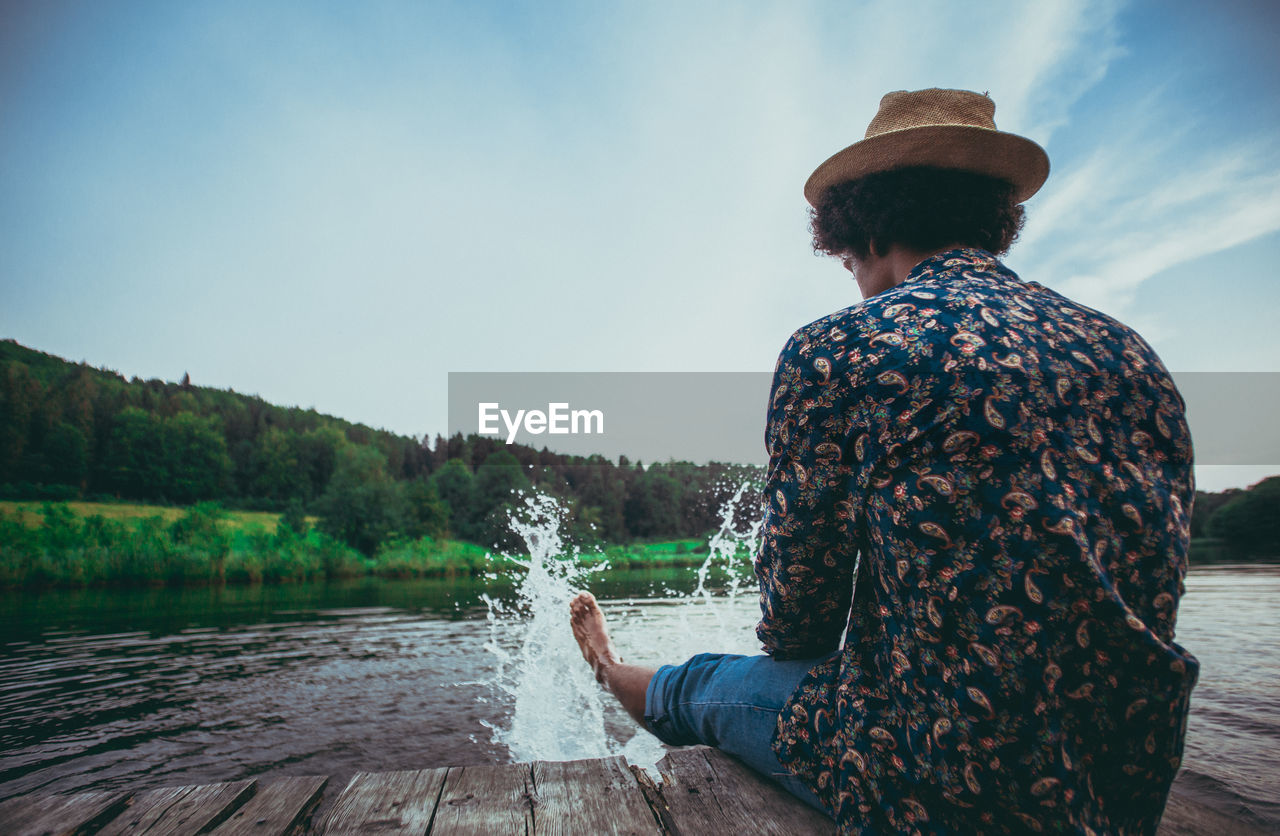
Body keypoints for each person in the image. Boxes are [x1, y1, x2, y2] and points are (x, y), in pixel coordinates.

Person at [570, 88, 1198, 835]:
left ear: (862, 227)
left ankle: (615, 673)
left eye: (842, 254)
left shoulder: (839, 349)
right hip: (1124, 779)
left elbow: (796, 625)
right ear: (995, 217)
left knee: (708, 682)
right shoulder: (1128, 352)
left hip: (942, 781)